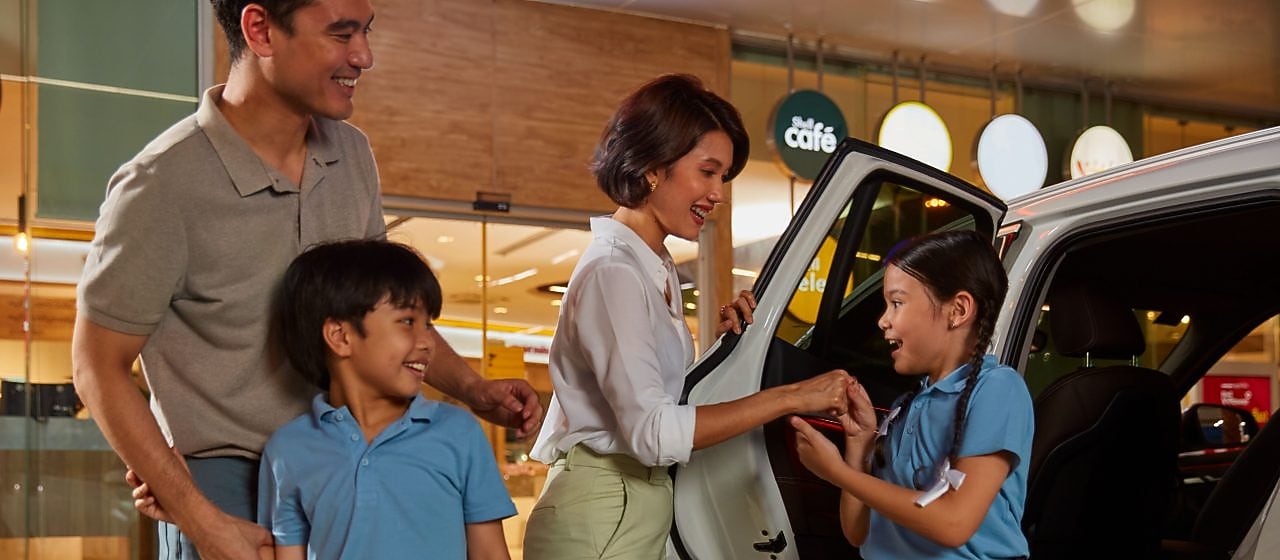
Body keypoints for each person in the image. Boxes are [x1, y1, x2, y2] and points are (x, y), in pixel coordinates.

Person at [70, 1, 540, 559]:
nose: (363, 55)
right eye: (341, 34)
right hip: (231, 492)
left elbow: (382, 309)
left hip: (347, 465)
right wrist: (203, 521)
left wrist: (472, 389)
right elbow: (96, 368)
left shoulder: (351, 153)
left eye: (365, 32)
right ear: (260, 30)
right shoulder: (160, 185)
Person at [522, 74, 852, 560]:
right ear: (654, 166)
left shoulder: (654, 268)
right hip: (605, 508)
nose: (718, 193)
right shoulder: (615, 273)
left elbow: (655, 402)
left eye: (723, 177)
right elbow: (653, 434)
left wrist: (727, 352)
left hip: (630, 502)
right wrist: (791, 397)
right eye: (708, 171)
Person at [259, 239, 515, 560]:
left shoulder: (459, 433)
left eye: (429, 325)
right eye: (408, 321)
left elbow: (491, 554)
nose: (427, 343)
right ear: (341, 337)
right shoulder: (287, 450)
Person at [789, 230, 1033, 559]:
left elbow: (954, 523)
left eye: (897, 303)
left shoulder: (998, 390)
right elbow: (857, 532)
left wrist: (836, 472)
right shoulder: (905, 407)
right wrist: (860, 445)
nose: (883, 320)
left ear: (958, 310)